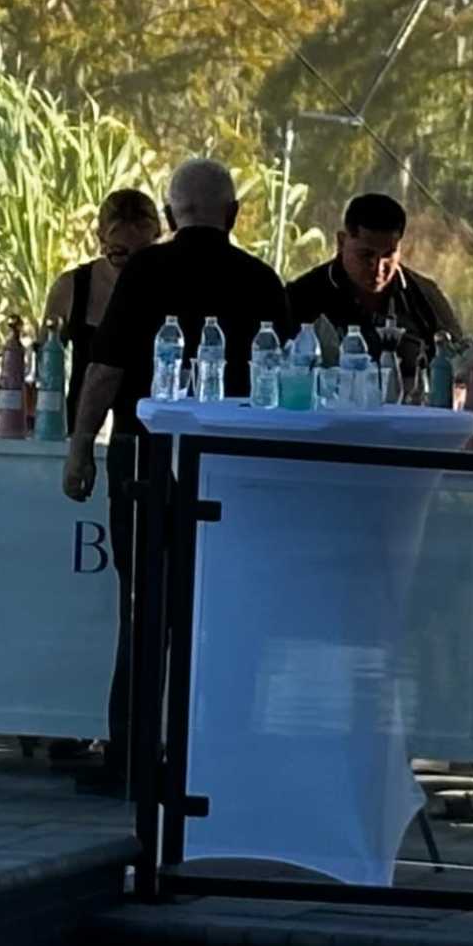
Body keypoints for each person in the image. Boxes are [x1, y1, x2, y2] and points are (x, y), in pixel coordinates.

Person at [60, 157, 297, 797]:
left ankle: (132, 755)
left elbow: (105, 367)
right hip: (234, 467)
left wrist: (81, 445)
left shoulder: (146, 269)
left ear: (169, 217)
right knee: (226, 610)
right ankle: (220, 753)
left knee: (144, 607)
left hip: (148, 463)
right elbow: (288, 384)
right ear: (235, 215)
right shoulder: (261, 280)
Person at [280, 191, 468, 368]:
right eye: (366, 255)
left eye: (388, 255)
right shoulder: (302, 297)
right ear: (342, 242)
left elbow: (461, 365)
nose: (378, 268)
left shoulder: (424, 298)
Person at [39, 189, 159, 381]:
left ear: (157, 240)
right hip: (82, 409)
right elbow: (44, 365)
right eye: (119, 254)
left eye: (143, 257)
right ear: (101, 241)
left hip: (147, 409)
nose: (132, 267)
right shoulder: (71, 288)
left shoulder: (171, 286)